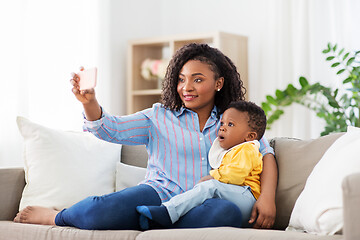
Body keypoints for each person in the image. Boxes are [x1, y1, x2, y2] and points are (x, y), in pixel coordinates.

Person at [14, 43, 277, 230]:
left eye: (197, 80)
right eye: (182, 79)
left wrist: (267, 198)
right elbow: (109, 128)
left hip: (205, 203)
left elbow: (265, 154)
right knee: (99, 211)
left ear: (218, 83)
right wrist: (89, 103)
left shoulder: (234, 120)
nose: (187, 87)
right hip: (158, 194)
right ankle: (56, 217)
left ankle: (154, 221)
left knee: (226, 213)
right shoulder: (158, 116)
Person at [136, 100, 267, 229]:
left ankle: (167, 212)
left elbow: (236, 175)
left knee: (210, 187)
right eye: (222, 123)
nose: (222, 127)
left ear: (250, 136)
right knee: (207, 193)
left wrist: (212, 177)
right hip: (235, 196)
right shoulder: (230, 150)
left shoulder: (248, 149)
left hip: (247, 198)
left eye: (230, 124)